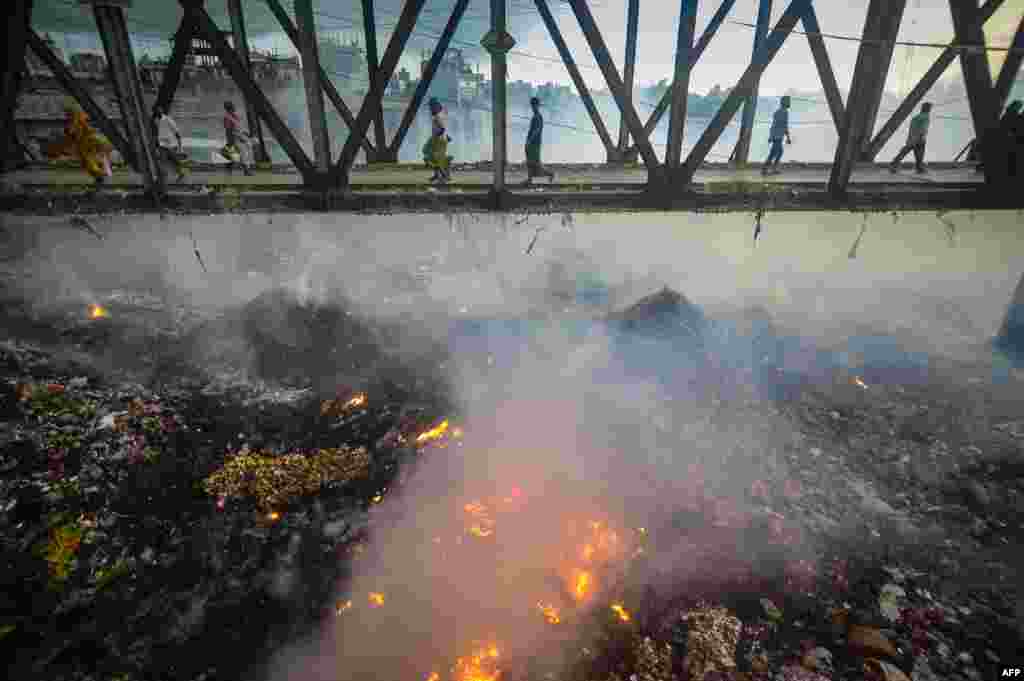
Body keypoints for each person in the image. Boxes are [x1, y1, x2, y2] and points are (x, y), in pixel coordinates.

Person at [47, 98, 113, 191]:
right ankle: (103, 174)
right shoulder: (79, 119)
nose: (66, 116)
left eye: (68, 113)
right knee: (90, 159)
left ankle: (102, 175)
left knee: (89, 159)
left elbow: (73, 133)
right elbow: (73, 134)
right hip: (91, 142)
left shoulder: (76, 119)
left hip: (89, 143)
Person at [889, 102, 931, 174]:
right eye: (929, 108)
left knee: (905, 151)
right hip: (920, 139)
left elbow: (912, 128)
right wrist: (921, 137)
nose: (930, 110)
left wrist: (911, 138)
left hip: (912, 138)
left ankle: (894, 164)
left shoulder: (916, 117)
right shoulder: (926, 117)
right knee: (919, 154)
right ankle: (919, 168)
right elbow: (923, 129)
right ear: (928, 109)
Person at [152, 105, 187, 184]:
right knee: (162, 162)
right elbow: (157, 134)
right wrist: (156, 145)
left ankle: (181, 174)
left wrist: (180, 145)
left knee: (174, 162)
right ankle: (163, 179)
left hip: (171, 145)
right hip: (162, 145)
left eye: (159, 110)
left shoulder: (168, 120)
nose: (158, 112)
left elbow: (176, 131)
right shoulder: (156, 121)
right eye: (156, 111)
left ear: (161, 110)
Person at [524, 96, 555, 185]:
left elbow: (537, 130)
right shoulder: (536, 116)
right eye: (532, 105)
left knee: (535, 163)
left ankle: (550, 174)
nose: (533, 107)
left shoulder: (538, 116)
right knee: (530, 162)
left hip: (534, 143)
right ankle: (530, 179)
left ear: (537, 106)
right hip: (532, 142)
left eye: (534, 105)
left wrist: (529, 140)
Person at [762, 96, 792, 176]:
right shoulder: (783, 112)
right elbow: (783, 125)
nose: (789, 103)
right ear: (784, 103)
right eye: (788, 101)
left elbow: (777, 125)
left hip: (777, 135)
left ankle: (771, 168)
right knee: (774, 153)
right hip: (777, 136)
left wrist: (771, 136)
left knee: (778, 152)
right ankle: (765, 169)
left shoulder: (779, 111)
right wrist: (788, 137)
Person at [424, 97, 451, 184]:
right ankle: (438, 175)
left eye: (431, 107)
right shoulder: (441, 114)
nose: (430, 109)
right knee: (432, 156)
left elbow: (442, 128)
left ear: (435, 106)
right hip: (441, 139)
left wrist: (435, 139)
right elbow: (444, 127)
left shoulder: (438, 116)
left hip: (438, 140)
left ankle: (443, 175)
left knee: (433, 157)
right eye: (430, 107)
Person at [221, 100, 252, 175]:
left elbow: (238, 127)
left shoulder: (234, 116)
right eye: (232, 107)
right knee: (241, 154)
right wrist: (231, 141)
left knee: (235, 155)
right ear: (229, 108)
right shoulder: (228, 117)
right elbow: (229, 130)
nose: (234, 108)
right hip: (234, 139)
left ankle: (232, 172)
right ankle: (246, 171)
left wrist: (245, 133)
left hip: (238, 138)